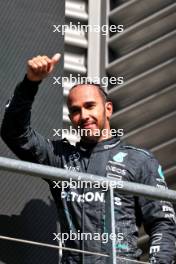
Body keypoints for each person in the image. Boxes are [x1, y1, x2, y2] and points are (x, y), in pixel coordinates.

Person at [1, 54, 176, 264]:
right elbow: (14, 133)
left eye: (90, 106)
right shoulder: (60, 158)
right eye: (75, 111)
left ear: (108, 109)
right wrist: (30, 83)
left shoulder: (139, 160)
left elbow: (163, 224)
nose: (83, 116)